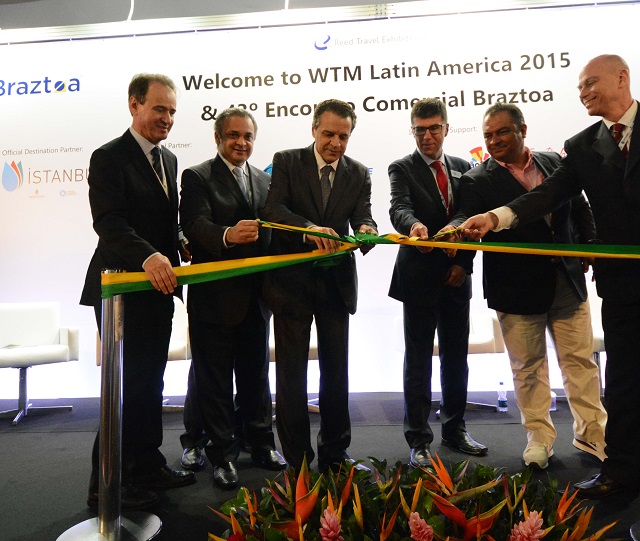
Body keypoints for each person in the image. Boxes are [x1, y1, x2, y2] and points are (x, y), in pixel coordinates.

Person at [461, 54, 640, 524]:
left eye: (591, 82)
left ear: (622, 78)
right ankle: (621, 474)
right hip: (625, 288)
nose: (583, 92)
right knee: (628, 388)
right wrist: (496, 218)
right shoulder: (583, 145)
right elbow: (546, 196)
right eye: (579, 87)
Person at [458, 103, 607, 470]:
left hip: (567, 282)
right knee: (527, 368)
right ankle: (539, 438)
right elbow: (464, 218)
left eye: (501, 132)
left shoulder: (555, 162)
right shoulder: (477, 179)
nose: (493, 141)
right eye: (488, 135)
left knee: (581, 364)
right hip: (516, 288)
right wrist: (454, 235)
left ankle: (593, 435)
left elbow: (580, 205)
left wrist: (590, 245)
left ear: (522, 129)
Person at [80, 73, 195, 510]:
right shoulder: (108, 157)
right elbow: (109, 222)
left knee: (150, 384)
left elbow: (164, 219)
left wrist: (179, 239)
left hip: (158, 292)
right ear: (134, 105)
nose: (166, 118)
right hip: (119, 292)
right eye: (158, 109)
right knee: (123, 388)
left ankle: (147, 466)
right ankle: (104, 484)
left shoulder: (168, 160)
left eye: (171, 112)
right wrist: (149, 256)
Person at [261, 99, 378, 473]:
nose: (335, 143)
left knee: (336, 373)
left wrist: (367, 230)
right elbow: (273, 211)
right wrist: (309, 230)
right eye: (328, 134)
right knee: (291, 376)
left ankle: (335, 455)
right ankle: (297, 460)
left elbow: (363, 214)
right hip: (291, 287)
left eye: (343, 136)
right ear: (314, 130)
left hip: (335, 286)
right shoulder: (286, 160)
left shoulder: (359, 172)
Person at [179, 108, 287, 489]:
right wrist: (228, 235)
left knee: (257, 376)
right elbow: (193, 225)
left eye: (247, 136)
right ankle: (222, 455)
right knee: (215, 381)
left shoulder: (264, 178)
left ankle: (260, 443)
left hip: (258, 298)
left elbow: (274, 230)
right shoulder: (197, 176)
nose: (241, 142)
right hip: (214, 300)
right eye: (233, 136)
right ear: (218, 138)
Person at [388, 98, 487, 469]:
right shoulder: (401, 167)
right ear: (412, 130)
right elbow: (399, 207)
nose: (427, 136)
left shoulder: (464, 168)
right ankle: (418, 439)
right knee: (418, 361)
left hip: (456, 276)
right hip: (418, 276)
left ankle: (455, 429)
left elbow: (470, 215)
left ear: (446, 128)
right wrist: (413, 226)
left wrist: (462, 260)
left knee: (456, 358)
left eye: (433, 128)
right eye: (419, 129)